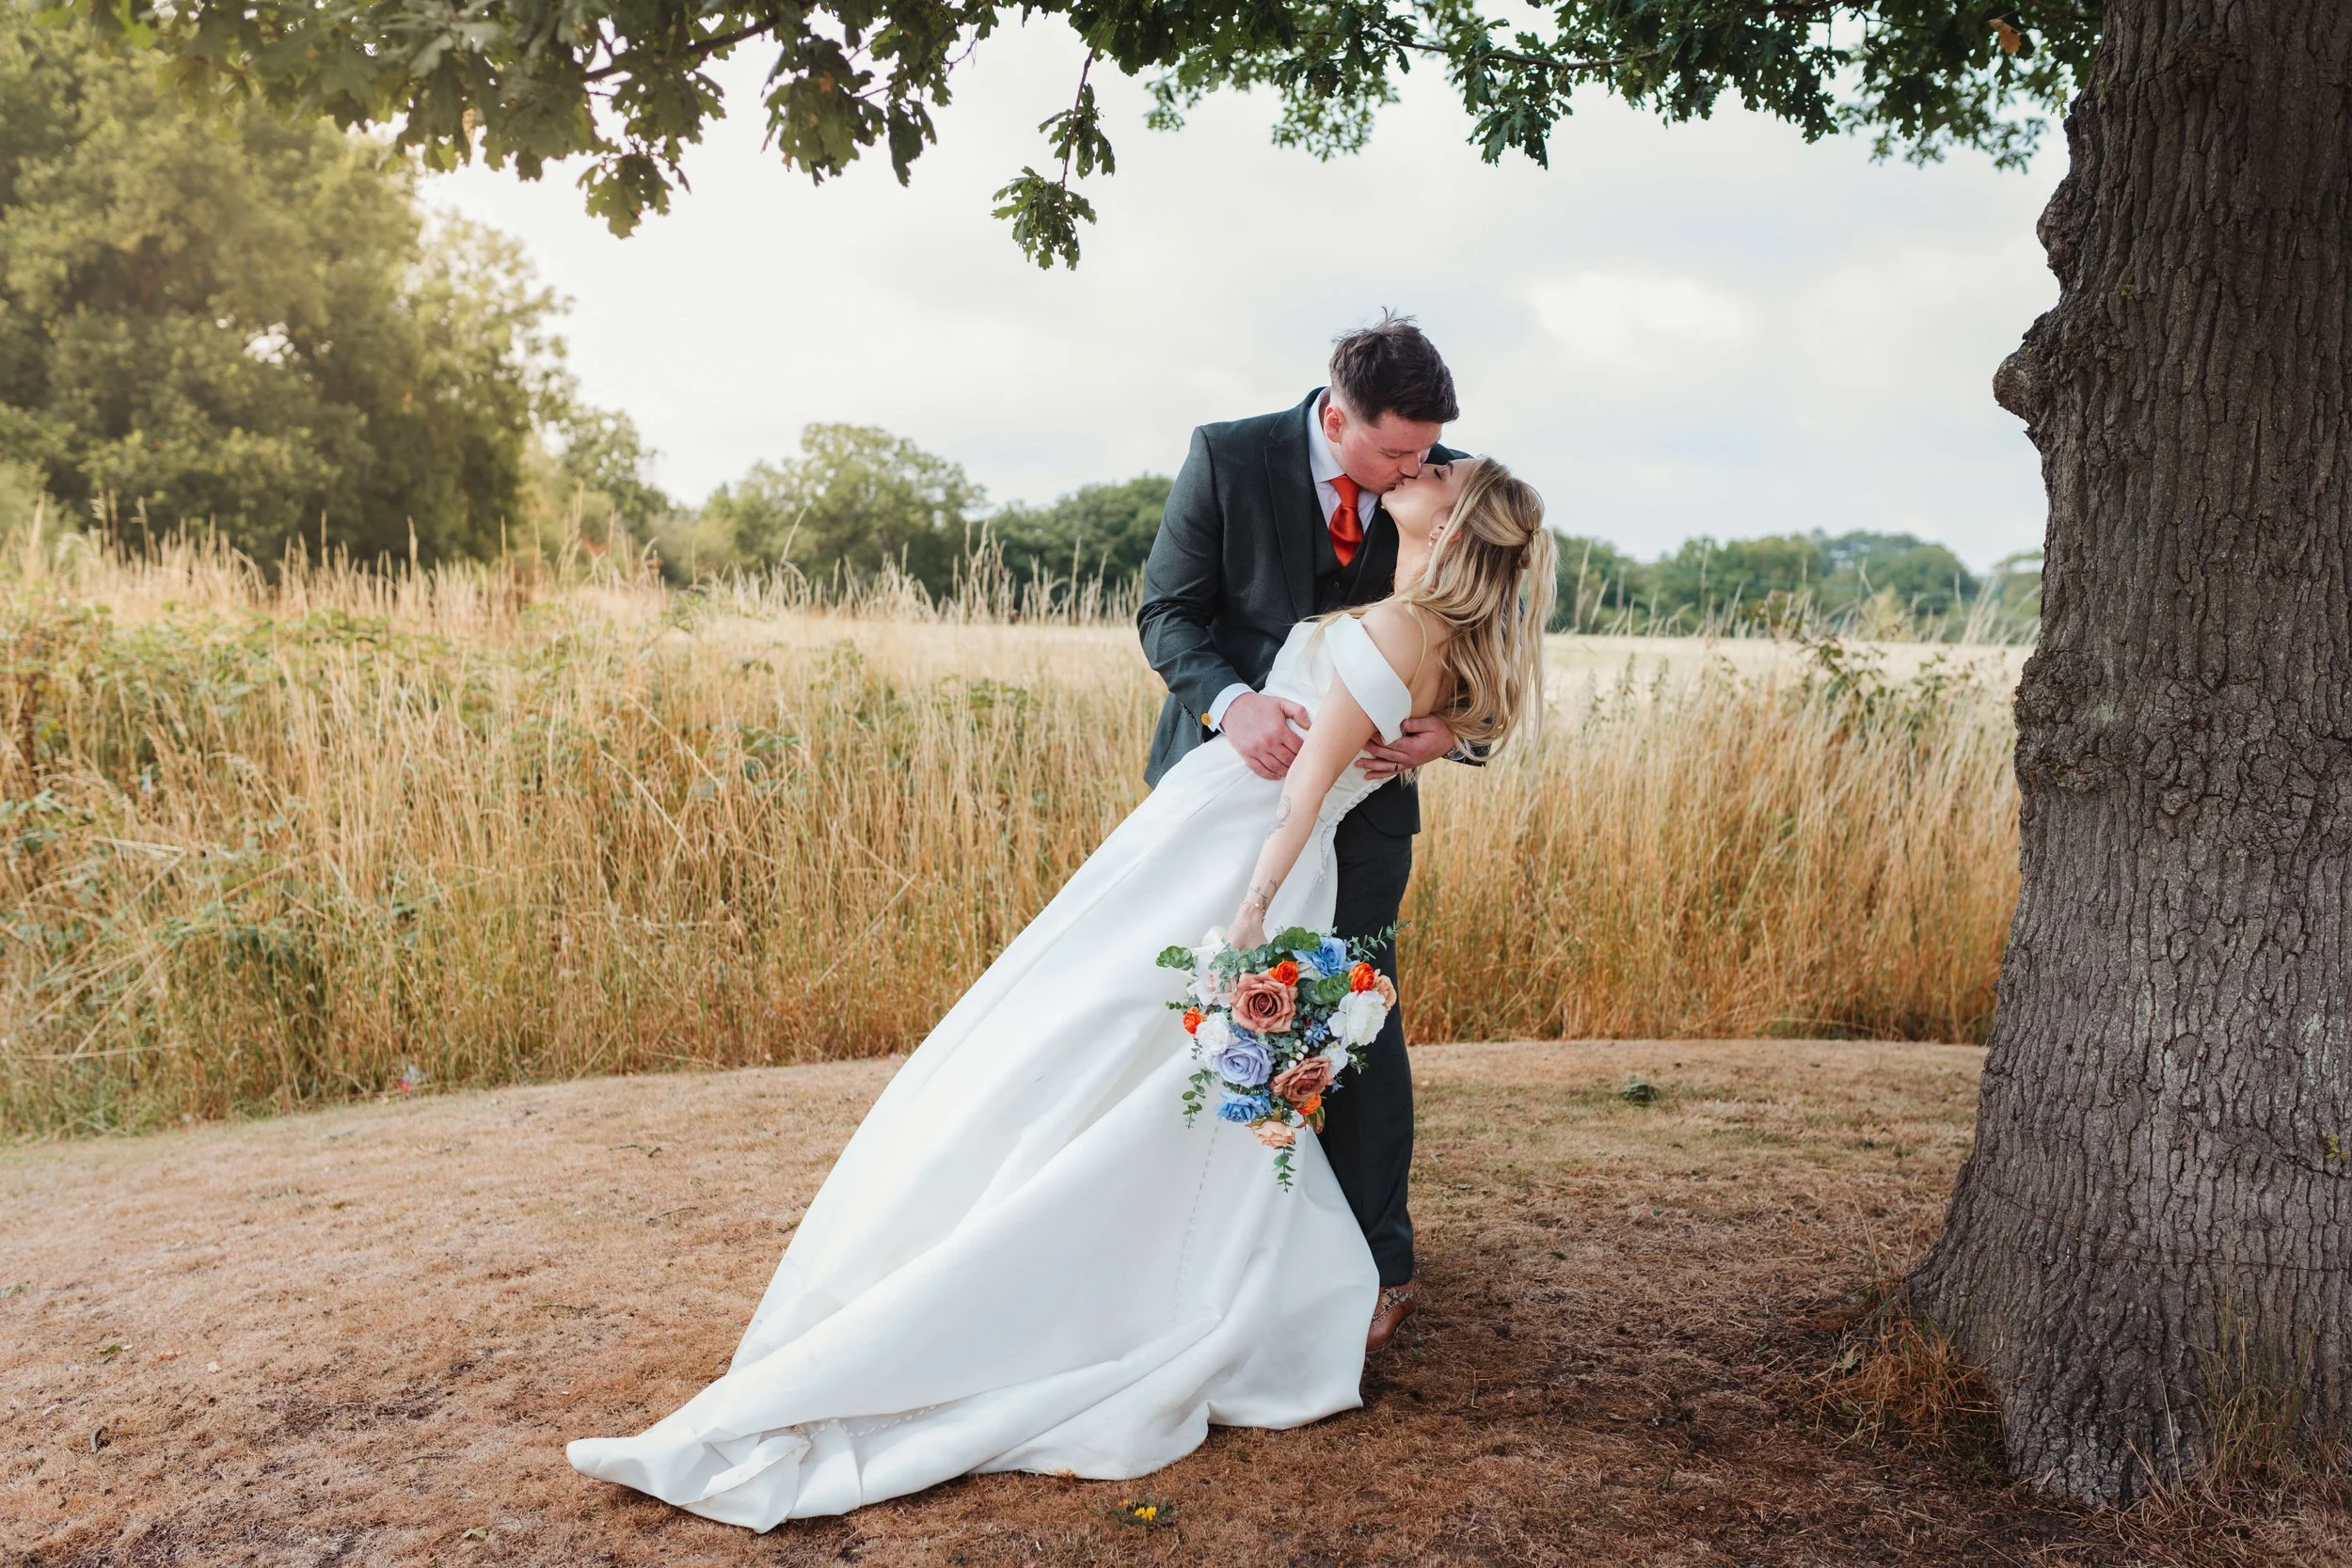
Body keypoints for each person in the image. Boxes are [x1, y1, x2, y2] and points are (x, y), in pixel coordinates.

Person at [566, 428, 1555, 1539]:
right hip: (1233, 835)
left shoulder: (1394, 623)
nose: (1422, 466)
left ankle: (1048, 1258)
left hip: (1239, 850)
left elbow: (1305, 787)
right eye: (1416, 453)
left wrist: (1248, 911)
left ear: (1452, 525)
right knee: (1124, 1042)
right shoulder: (1431, 624)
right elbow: (1270, 652)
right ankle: (1152, 1255)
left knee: (1102, 1032)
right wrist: (1427, 730)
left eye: (1437, 471)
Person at [1137, 314, 1471, 1353]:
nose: (1414, 468)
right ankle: (1182, 1245)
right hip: (1220, 797)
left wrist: (1454, 732)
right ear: (1337, 418)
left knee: (1358, 1016)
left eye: (1425, 449)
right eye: (1395, 451)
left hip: (1363, 814)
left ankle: (1380, 1263)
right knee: (1193, 1010)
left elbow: (1491, 632)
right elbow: (1167, 613)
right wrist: (1231, 703)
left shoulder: (1446, 486)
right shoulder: (1227, 456)